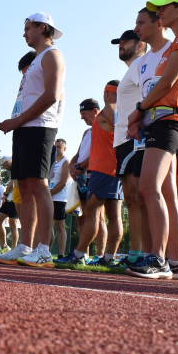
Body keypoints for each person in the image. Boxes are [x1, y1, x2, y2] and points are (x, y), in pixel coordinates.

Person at [126, 0, 178, 281]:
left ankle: (158, 259)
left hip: (170, 122)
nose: (159, 13)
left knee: (148, 187)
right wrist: (142, 115)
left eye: (163, 8)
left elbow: (169, 83)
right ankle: (177, 262)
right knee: (168, 194)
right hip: (164, 122)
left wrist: (138, 110)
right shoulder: (173, 45)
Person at [0, 12, 66, 268]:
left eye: (27, 28)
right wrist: (16, 121)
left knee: (38, 186)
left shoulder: (52, 55)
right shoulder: (36, 60)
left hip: (40, 128)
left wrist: (18, 120)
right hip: (25, 126)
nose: (24, 33)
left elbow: (50, 96)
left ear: (42, 27)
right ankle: (25, 246)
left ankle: (44, 250)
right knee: (23, 188)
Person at [64, 83, 122, 266]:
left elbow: (121, 130)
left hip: (102, 169)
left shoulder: (110, 109)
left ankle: (80, 254)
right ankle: (108, 258)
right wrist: (74, 164)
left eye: (85, 115)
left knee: (93, 213)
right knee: (112, 215)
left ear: (106, 93)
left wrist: (80, 165)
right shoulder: (95, 125)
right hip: (112, 169)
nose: (84, 120)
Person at [112, 27, 149, 266]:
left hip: (133, 138)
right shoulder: (130, 71)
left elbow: (148, 96)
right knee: (132, 199)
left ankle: (143, 253)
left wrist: (137, 124)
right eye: (119, 42)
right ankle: (137, 252)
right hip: (123, 140)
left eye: (126, 41)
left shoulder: (141, 64)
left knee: (138, 198)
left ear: (140, 44)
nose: (121, 45)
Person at [48, 139, 70, 260]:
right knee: (48, 225)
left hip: (60, 198)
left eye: (59, 147)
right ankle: (48, 252)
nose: (56, 149)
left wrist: (50, 192)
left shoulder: (66, 162)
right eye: (55, 146)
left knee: (60, 225)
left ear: (64, 148)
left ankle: (61, 254)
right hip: (49, 197)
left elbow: (63, 182)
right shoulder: (52, 162)